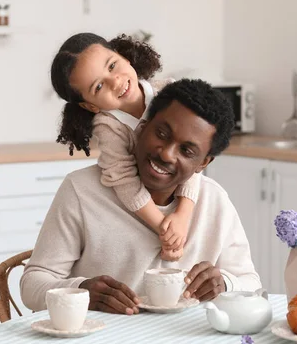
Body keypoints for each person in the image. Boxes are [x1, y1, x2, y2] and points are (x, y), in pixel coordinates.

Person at [21, 78, 261, 315]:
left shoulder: (215, 201)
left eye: (186, 151)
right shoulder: (81, 190)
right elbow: (32, 285)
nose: (166, 154)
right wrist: (81, 291)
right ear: (143, 126)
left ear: (203, 163)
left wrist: (225, 283)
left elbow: (251, 283)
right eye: (162, 134)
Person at [50, 32, 200, 260]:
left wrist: (182, 215)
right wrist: (165, 230)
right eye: (99, 86)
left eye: (112, 66)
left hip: (186, 203)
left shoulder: (172, 93)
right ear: (90, 106)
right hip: (140, 218)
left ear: (124, 57)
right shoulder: (109, 127)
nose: (115, 82)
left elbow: (192, 154)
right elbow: (124, 180)